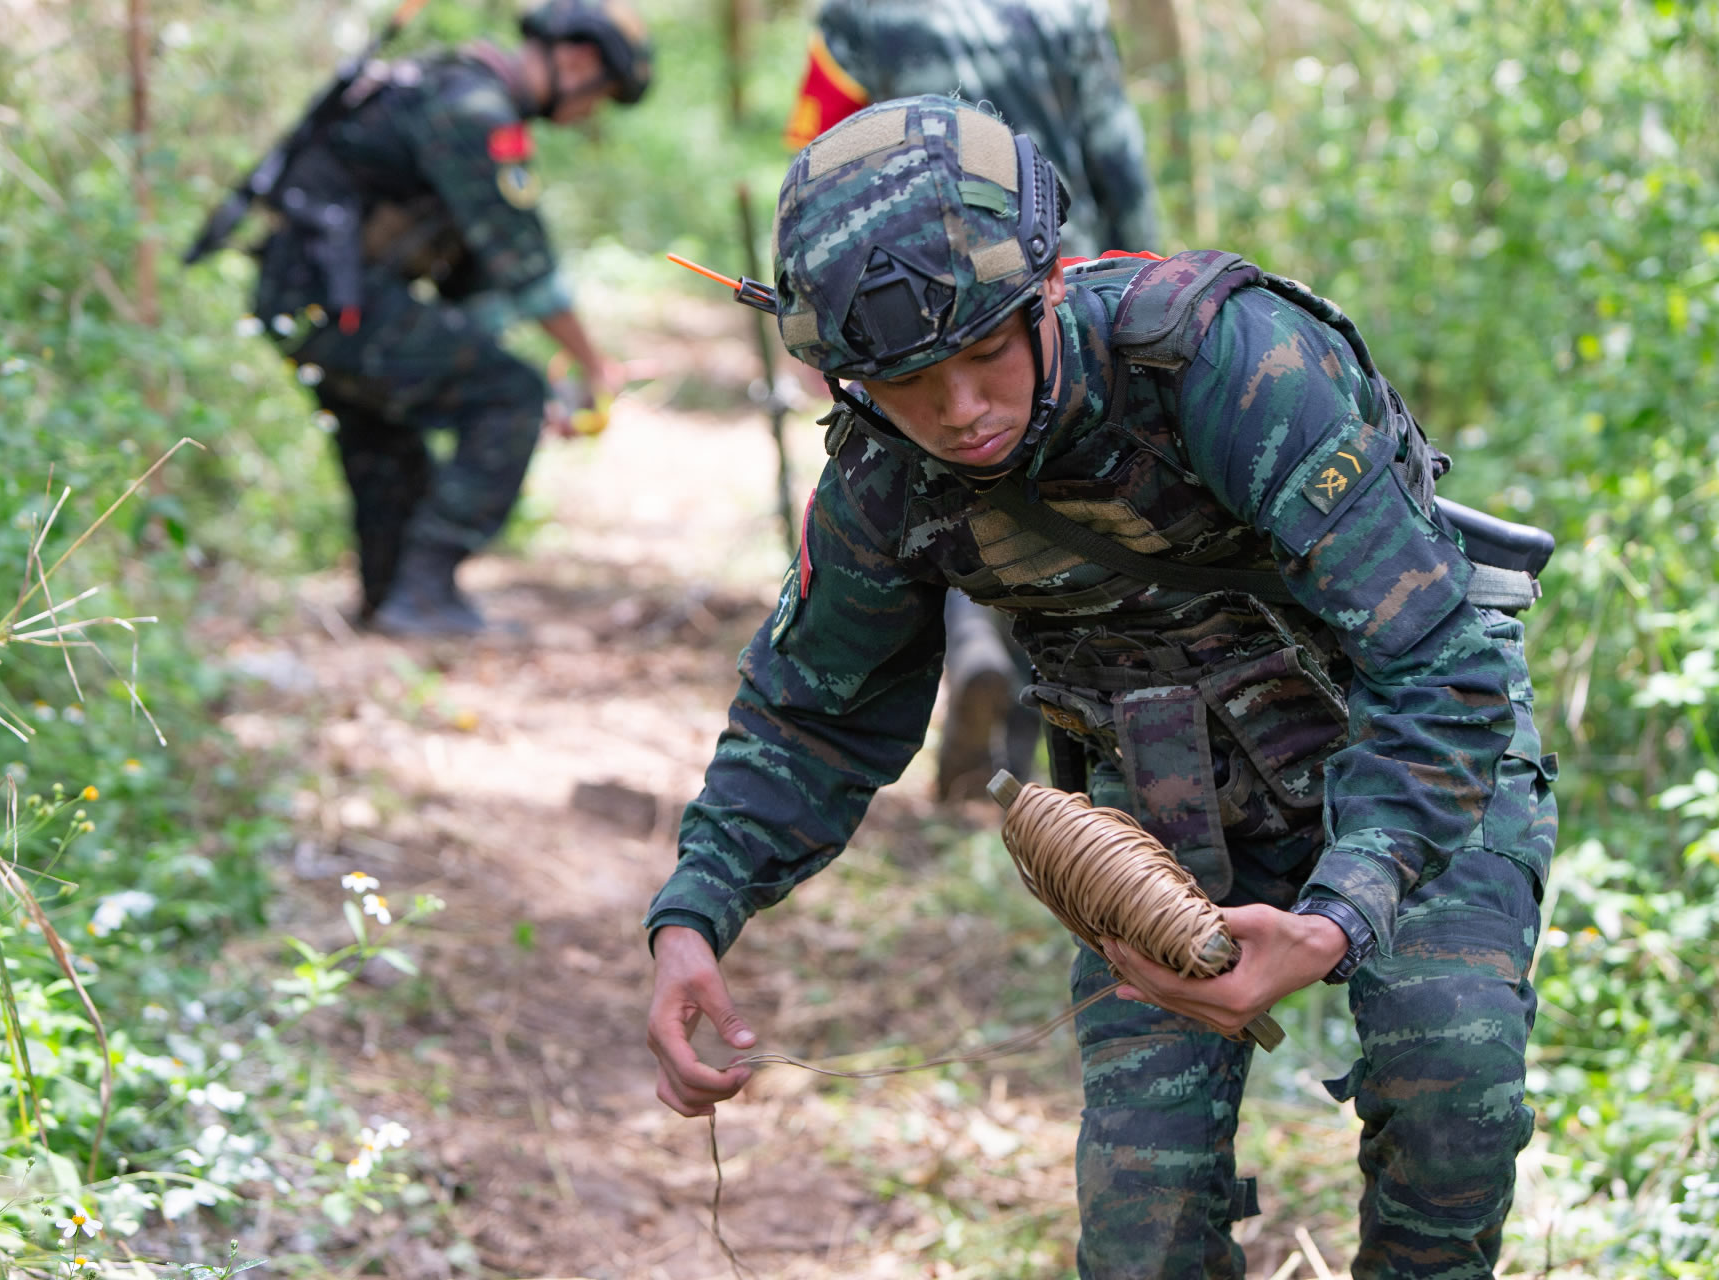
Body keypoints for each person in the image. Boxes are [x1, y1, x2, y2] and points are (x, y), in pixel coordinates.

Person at [643, 96, 1556, 1278]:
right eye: (912, 384)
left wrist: (1338, 913)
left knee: (1452, 1085)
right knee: (1142, 1216)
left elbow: (1436, 662)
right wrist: (694, 912)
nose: (959, 410)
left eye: (982, 354)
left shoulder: (1226, 360)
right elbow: (814, 712)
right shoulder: (885, 479)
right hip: (1160, 814)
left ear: (1045, 292)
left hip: (1398, 752)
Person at [783, 0, 1162, 797]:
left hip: (903, 317)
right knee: (1070, 523)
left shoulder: (860, 18)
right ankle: (1040, 765)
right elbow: (1116, 154)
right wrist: (1148, 285)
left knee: (947, 480)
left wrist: (823, 324)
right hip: (1056, 291)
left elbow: (819, 165)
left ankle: (968, 645)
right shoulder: (1070, 11)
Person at [249, 0, 651, 634]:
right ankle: (425, 589)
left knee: (385, 431)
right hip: (337, 303)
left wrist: (527, 381)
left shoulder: (448, 88)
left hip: (307, 301)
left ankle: (391, 599)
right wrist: (594, 367)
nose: (587, 115)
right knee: (508, 393)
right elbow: (527, 270)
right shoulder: (474, 110)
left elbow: (474, 286)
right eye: (598, 96)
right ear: (576, 60)